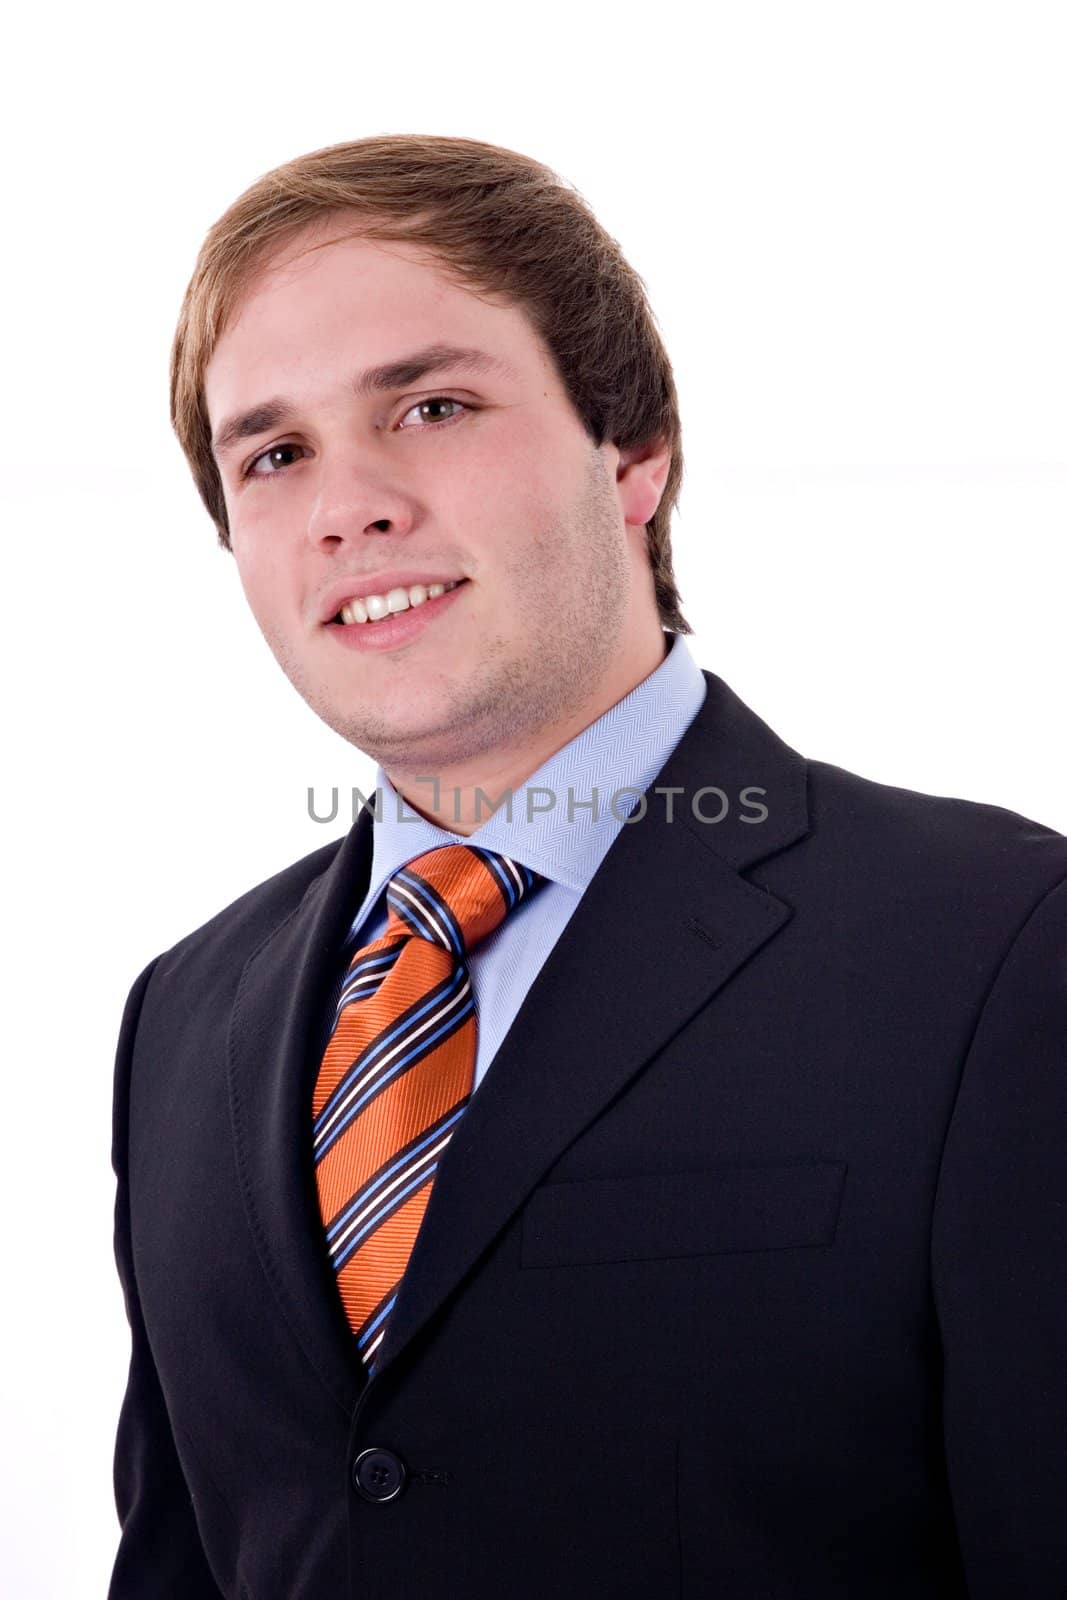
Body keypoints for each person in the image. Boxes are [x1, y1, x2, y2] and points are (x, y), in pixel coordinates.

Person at [108, 133, 1067, 1600]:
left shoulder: (999, 950)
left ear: (631, 454)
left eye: (431, 405)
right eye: (275, 451)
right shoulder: (183, 1021)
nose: (346, 504)